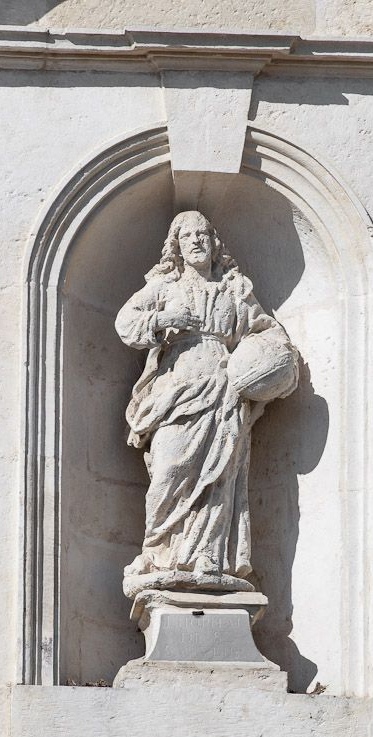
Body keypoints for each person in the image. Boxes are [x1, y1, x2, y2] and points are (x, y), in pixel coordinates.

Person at [115, 211, 291, 593]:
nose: (195, 241)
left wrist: (273, 364)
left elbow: (268, 333)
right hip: (175, 391)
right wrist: (164, 318)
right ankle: (159, 552)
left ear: (214, 242)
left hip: (224, 391)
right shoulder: (164, 286)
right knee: (168, 471)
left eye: (202, 234)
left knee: (218, 476)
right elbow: (126, 323)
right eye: (187, 236)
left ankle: (207, 557)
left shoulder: (235, 290)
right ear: (176, 246)